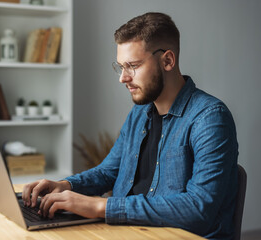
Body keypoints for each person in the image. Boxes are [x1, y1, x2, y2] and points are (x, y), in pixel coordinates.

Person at [22, 12, 238, 239]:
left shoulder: (210, 118)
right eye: (121, 66)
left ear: (167, 61)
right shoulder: (140, 113)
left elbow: (198, 208)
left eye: (133, 66)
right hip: (128, 232)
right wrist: (66, 186)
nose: (123, 78)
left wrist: (100, 207)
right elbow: (108, 172)